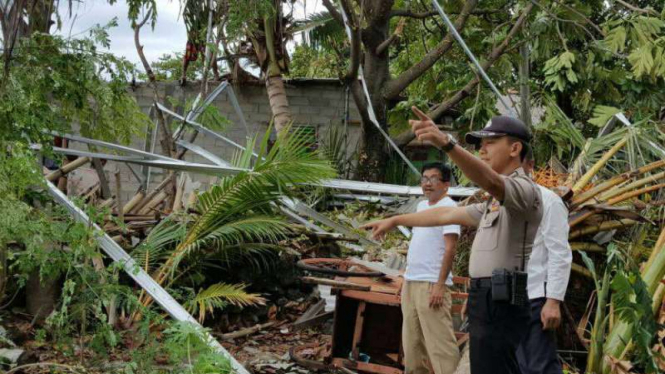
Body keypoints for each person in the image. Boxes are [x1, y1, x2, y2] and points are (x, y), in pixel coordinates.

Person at [363, 108, 543, 374]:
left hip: (503, 296)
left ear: (515, 148)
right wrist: (396, 220)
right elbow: (446, 214)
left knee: (494, 367)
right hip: (486, 295)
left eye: (490, 143)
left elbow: (490, 180)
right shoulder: (495, 202)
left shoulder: (523, 191)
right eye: (480, 145)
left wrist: (447, 144)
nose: (483, 150)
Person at [516, 150, 572, 374]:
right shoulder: (497, 200)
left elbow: (560, 253)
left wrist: (553, 300)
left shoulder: (548, 201)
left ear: (529, 165)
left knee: (539, 366)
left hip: (535, 298)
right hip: (507, 300)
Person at [402, 162, 461, 374]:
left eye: (433, 179)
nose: (427, 184)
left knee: (440, 345)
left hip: (432, 284)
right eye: (424, 178)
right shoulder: (421, 207)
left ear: (446, 184)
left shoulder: (450, 208)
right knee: (412, 344)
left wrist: (439, 285)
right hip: (411, 282)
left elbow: (450, 248)